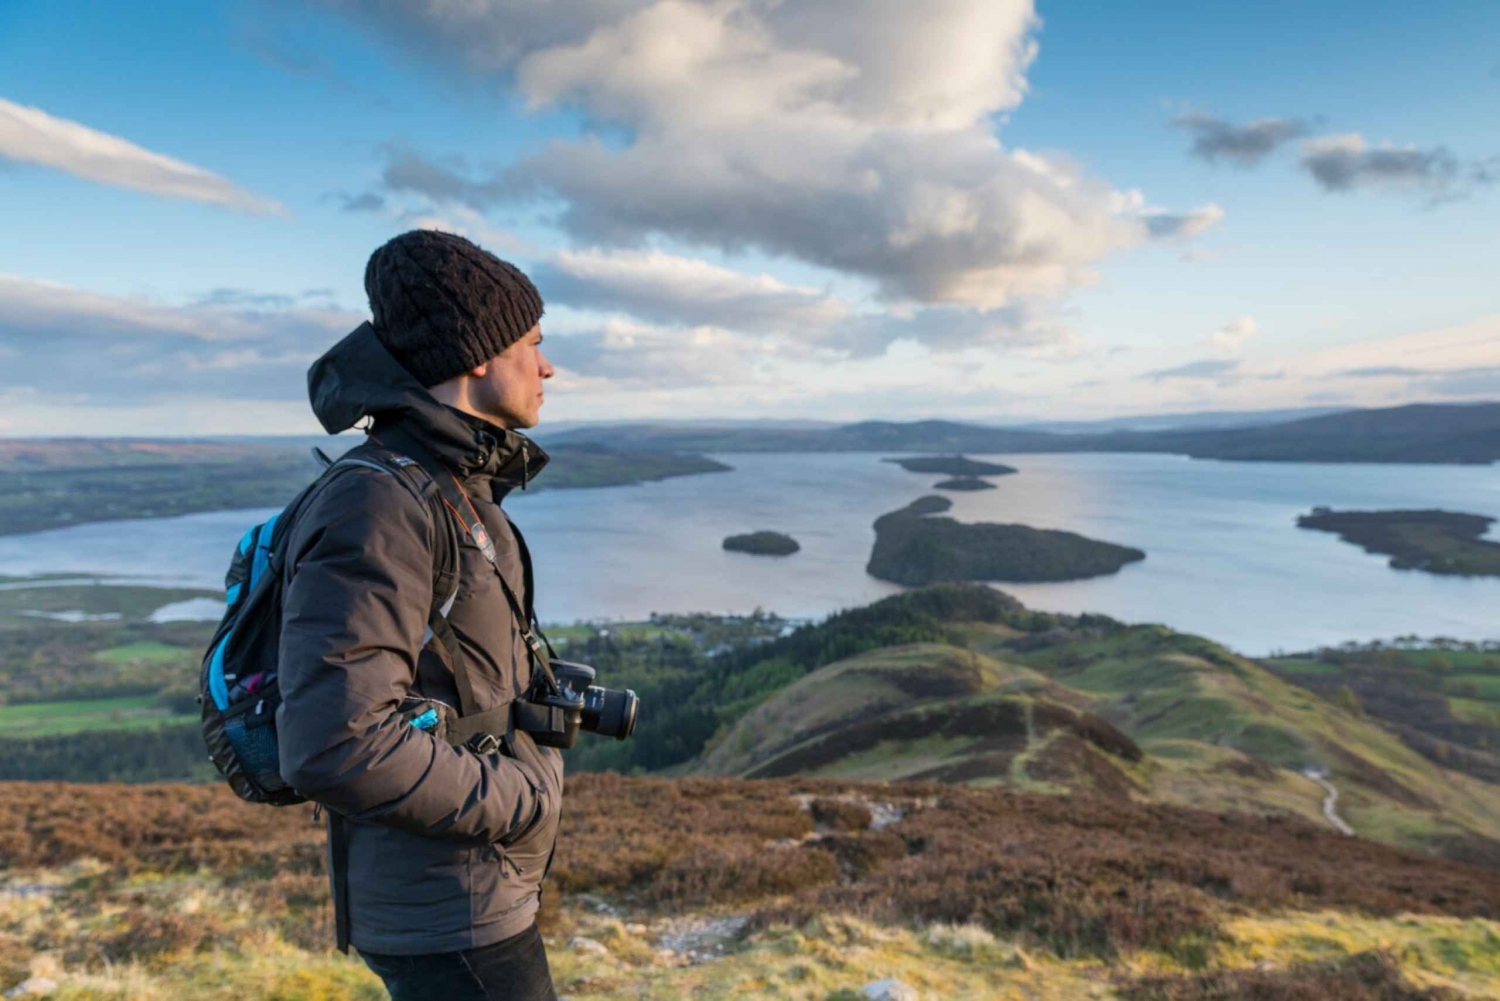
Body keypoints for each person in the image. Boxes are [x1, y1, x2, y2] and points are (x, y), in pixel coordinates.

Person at [275, 229, 561, 1000]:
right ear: (479, 354)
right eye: (532, 342)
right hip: (449, 908)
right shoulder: (383, 498)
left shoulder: (446, 479)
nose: (547, 365)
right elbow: (335, 743)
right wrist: (522, 798)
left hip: (466, 888)